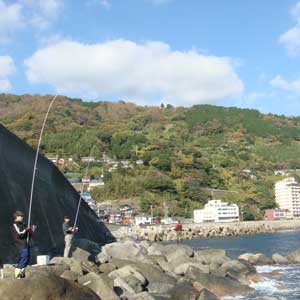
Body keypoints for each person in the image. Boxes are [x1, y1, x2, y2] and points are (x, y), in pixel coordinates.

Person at [12, 211, 32, 279]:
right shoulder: (15, 225)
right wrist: (26, 230)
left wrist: (31, 230)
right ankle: (17, 275)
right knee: (24, 258)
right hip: (20, 244)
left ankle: (22, 274)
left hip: (26, 244)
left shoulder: (23, 224)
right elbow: (19, 234)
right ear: (17, 216)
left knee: (27, 258)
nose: (22, 217)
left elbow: (27, 234)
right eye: (21, 216)